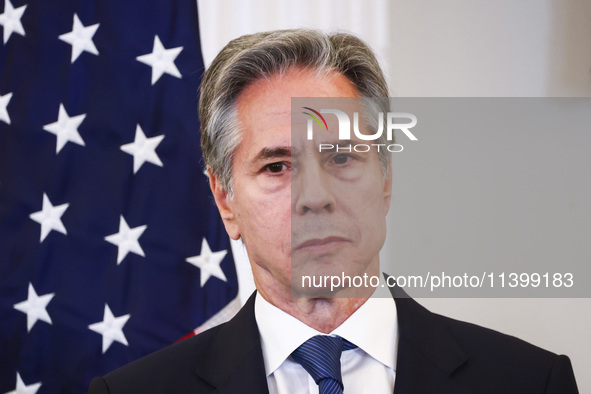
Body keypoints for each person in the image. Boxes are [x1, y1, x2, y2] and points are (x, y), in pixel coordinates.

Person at [89, 29, 579, 393]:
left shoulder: (531, 382)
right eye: (277, 166)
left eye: (342, 156)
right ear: (225, 202)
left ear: (385, 177)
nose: (315, 196)